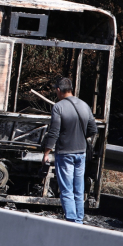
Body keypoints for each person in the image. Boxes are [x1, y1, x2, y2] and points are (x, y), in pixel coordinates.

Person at [43, 77, 98, 224]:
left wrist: (47, 152)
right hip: (81, 152)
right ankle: (79, 220)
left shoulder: (58, 107)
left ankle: (71, 220)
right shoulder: (85, 105)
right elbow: (93, 129)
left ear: (59, 90)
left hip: (65, 153)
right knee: (78, 189)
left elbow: (54, 132)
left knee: (67, 189)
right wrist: (79, 136)